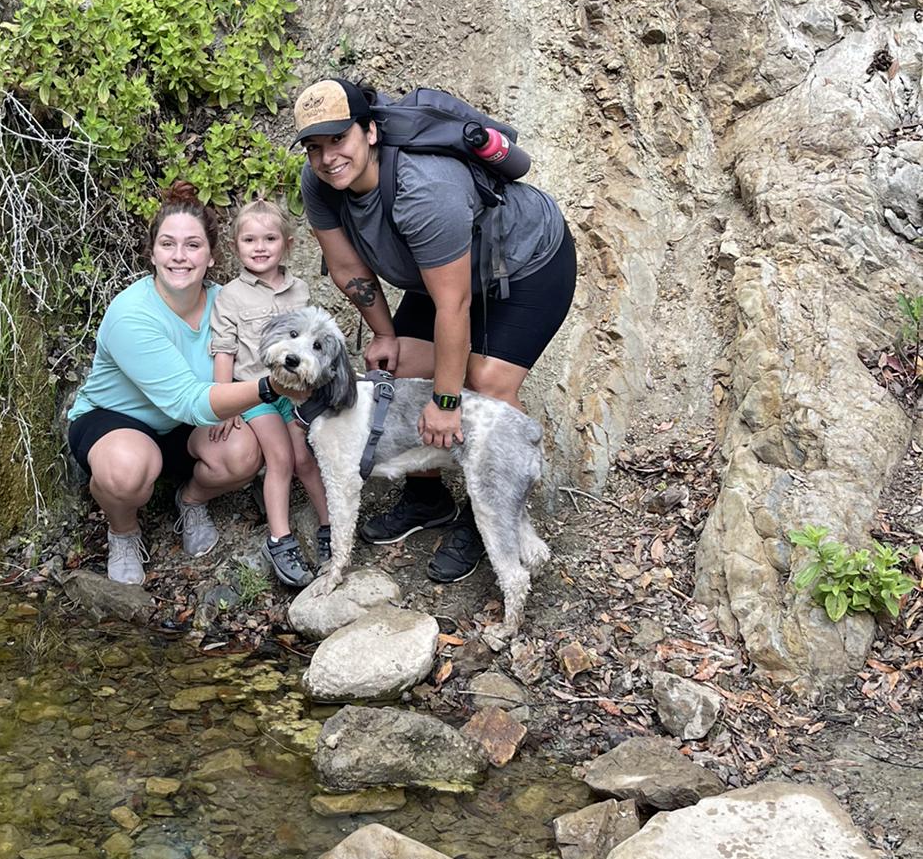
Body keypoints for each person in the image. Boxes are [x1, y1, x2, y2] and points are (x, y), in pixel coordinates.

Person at [294, 77, 576, 583]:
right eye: (314, 147)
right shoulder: (320, 182)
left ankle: (487, 514)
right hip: (442, 272)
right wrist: (384, 334)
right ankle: (427, 498)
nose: (328, 157)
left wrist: (446, 402)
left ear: (370, 131)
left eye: (339, 138)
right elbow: (347, 268)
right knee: (402, 364)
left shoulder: (424, 189)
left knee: (486, 383)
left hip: (526, 263)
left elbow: (455, 305)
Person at [67, 182, 287, 586]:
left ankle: (190, 499)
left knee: (241, 453)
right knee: (125, 470)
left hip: (187, 428)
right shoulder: (132, 314)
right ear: (152, 253)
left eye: (193, 245)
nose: (180, 256)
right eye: (168, 244)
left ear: (212, 255)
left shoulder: (228, 302)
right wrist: (271, 387)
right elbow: (187, 399)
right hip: (118, 421)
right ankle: (123, 532)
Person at [209, 198, 332, 589]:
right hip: (254, 394)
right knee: (280, 458)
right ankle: (280, 539)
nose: (259, 247)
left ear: (287, 244)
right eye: (249, 240)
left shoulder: (300, 291)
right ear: (235, 246)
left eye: (269, 239)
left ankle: (331, 526)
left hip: (294, 393)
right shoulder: (230, 296)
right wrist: (225, 401)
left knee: (305, 459)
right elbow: (224, 350)